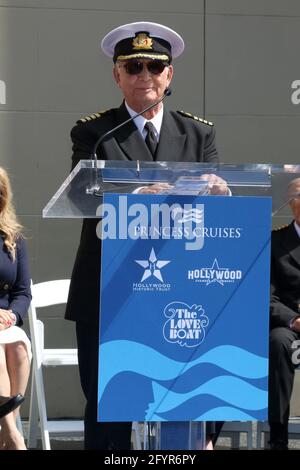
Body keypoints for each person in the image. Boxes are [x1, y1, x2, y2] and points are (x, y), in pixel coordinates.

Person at [65, 21, 227, 450]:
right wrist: (140, 194)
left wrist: (219, 192)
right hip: (111, 286)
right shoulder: (94, 132)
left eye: (155, 67)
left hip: (179, 287)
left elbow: (216, 201)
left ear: (169, 75)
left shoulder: (199, 133)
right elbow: (83, 194)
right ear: (116, 75)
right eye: (133, 66)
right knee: (110, 404)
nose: (144, 76)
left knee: (184, 399)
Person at [0, 167, 32, 450]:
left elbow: (23, 292)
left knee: (20, 348)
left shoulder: (13, 238)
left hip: (5, 323)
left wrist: (13, 315)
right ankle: (12, 435)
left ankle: (7, 426)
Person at [269, 177, 300, 450]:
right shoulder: (277, 241)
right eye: (299, 196)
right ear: (291, 204)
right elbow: (266, 296)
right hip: (291, 326)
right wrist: (294, 319)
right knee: (278, 342)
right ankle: (278, 436)